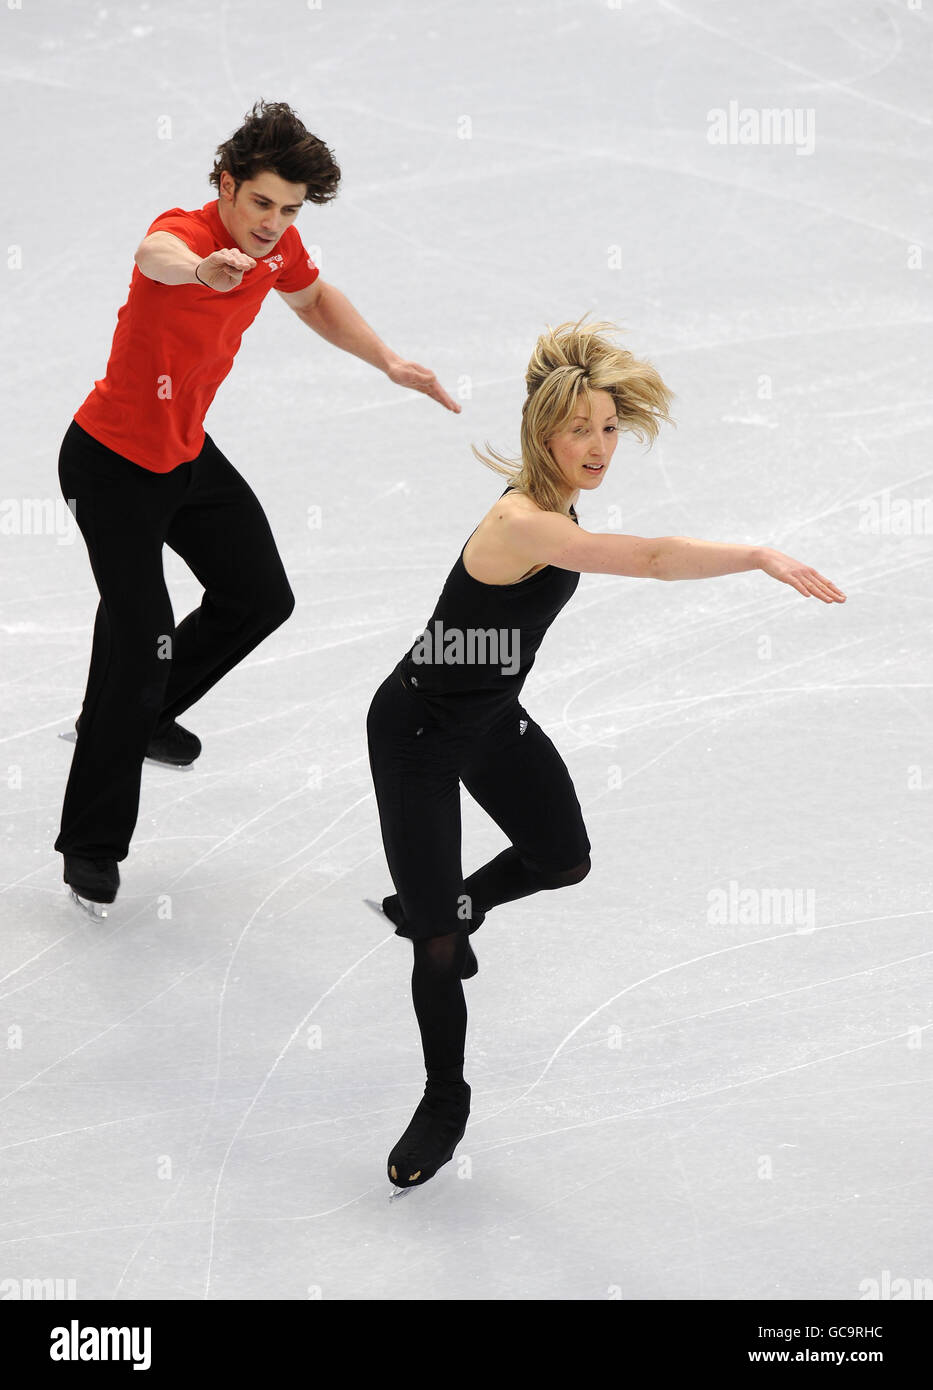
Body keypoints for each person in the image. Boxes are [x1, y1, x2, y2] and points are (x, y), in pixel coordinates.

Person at [366, 317, 846, 1190]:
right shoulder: (523, 522)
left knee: (561, 858)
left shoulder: (554, 502)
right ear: (540, 432)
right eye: (578, 429)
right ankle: (445, 1097)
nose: (597, 446)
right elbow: (654, 559)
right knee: (433, 946)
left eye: (608, 427)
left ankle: (452, 904)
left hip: (487, 716)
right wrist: (756, 554)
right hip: (417, 736)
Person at [57, 99, 459, 916]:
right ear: (226, 186)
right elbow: (155, 252)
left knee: (259, 597)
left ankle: (139, 716)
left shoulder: (279, 247)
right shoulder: (189, 235)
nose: (273, 224)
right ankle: (90, 849)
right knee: (141, 644)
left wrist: (386, 360)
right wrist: (200, 270)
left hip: (185, 455)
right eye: (260, 203)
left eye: (288, 210)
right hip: (110, 463)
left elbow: (311, 299)